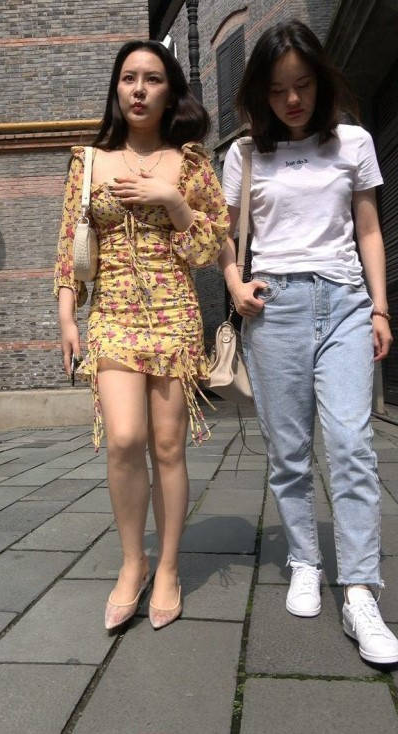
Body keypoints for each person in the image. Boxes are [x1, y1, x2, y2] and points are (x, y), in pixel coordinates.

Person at [220, 19, 398, 664]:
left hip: (345, 301)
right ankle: (303, 558)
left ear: (321, 82)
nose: (291, 99)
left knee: (351, 443)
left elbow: (369, 229)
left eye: (301, 85)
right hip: (274, 309)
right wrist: (235, 284)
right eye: (276, 90)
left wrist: (380, 308)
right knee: (289, 452)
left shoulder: (353, 141)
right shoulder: (244, 154)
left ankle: (360, 589)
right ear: (259, 95)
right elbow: (225, 236)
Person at [54, 40, 228, 631]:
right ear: (116, 88)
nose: (138, 89)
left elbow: (208, 248)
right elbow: (70, 247)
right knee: (125, 439)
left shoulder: (192, 164)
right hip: (112, 313)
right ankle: (134, 563)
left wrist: (173, 201)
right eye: (128, 77)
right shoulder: (89, 162)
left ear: (170, 91)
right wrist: (67, 317)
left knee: (169, 446)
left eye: (152, 79)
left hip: (174, 312)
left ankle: (170, 566)